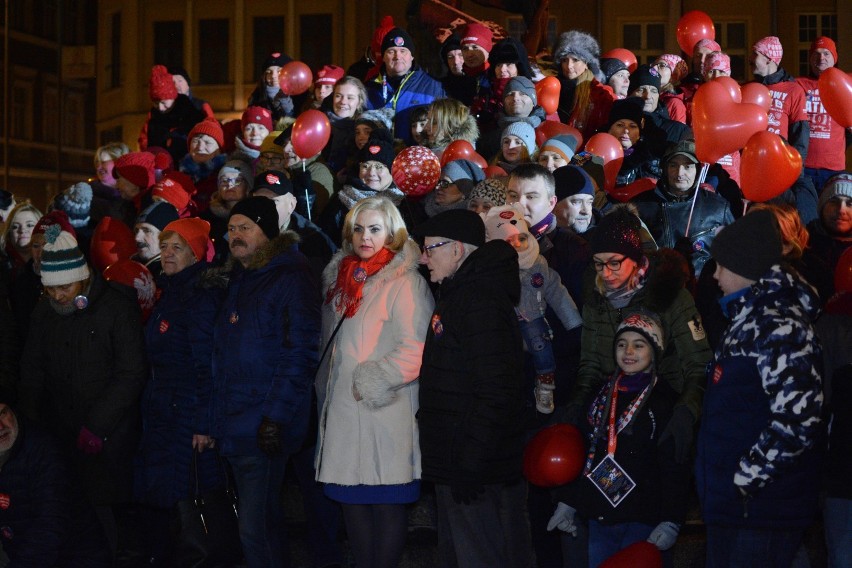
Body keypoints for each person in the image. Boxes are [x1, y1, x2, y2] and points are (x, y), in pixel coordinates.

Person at [697, 209, 824, 567]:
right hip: (738, 508)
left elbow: (798, 419)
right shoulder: (748, 319)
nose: (716, 275)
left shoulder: (779, 326)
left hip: (761, 511)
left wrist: (745, 478)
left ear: (746, 267)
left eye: (721, 265)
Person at [315, 196, 432, 568]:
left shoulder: (406, 282)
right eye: (359, 229)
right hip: (346, 414)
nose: (366, 237)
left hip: (387, 411)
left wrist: (372, 379)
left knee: (386, 504)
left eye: (375, 229)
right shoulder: (342, 279)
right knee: (352, 501)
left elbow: (415, 348)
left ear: (392, 233)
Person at [414, 209, 533, 568]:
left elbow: (496, 389)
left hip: (475, 465)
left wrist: (470, 462)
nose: (423, 257)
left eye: (430, 248)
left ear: (458, 250)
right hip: (459, 457)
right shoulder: (460, 293)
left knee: (480, 555)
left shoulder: (478, 300)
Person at [19, 224, 146, 558]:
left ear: (82, 277)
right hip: (61, 430)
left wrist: (99, 425)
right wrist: (32, 424)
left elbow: (131, 372)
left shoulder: (115, 307)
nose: (58, 296)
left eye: (65, 287)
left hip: (110, 435)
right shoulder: (44, 313)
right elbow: (33, 371)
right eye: (51, 289)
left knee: (111, 515)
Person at [566, 206, 711, 467]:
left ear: (636, 258)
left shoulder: (671, 296)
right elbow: (590, 363)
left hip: (663, 407)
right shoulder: (596, 300)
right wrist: (578, 404)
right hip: (612, 410)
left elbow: (698, 362)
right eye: (599, 264)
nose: (606, 274)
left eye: (614, 263)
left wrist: (686, 411)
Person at [548, 312, 691, 566]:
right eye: (622, 344)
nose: (629, 351)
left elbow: (675, 468)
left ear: (655, 351)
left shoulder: (665, 404)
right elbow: (585, 453)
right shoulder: (600, 396)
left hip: (645, 521)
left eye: (639, 345)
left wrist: (672, 520)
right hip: (601, 517)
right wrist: (569, 501)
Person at [134, 217, 225, 564]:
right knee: (167, 504)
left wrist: (204, 422)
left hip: (186, 418)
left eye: (177, 248)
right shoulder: (170, 292)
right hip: (164, 414)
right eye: (165, 247)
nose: (168, 254)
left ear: (196, 253)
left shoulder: (200, 297)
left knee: (190, 505)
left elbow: (207, 364)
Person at [483, 204, 582, 414]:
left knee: (540, 343)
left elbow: (556, 291)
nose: (517, 245)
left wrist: (573, 321)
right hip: (502, 324)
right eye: (509, 242)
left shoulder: (539, 264)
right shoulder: (490, 270)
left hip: (533, 316)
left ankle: (545, 383)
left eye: (521, 238)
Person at [0, 399, 112, 565]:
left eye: (3, 413)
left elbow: (50, 525)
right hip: (22, 550)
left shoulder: (44, 452)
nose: (1, 427)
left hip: (72, 558)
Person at [633, 139, 735, 278]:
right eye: (673, 165)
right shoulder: (640, 206)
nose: (680, 173)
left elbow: (734, 254)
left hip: (702, 292)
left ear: (697, 170)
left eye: (687, 166)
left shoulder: (717, 207)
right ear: (665, 169)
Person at [751, 36, 818, 225]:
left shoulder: (793, 90)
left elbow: (800, 135)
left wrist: (795, 169)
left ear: (769, 58)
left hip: (782, 168)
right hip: (754, 169)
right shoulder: (749, 88)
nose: (749, 59)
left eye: (754, 54)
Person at [318, 129, 403, 247]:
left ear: (392, 170)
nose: (371, 172)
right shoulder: (342, 200)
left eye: (379, 166)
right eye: (365, 166)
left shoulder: (404, 203)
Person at [364, 26, 446, 145]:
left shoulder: (434, 88)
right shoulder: (369, 89)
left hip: (419, 159)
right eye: (391, 51)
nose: (398, 57)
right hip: (378, 159)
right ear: (383, 57)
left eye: (403, 51)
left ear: (412, 56)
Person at [795, 36, 847, 193]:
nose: (821, 58)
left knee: (831, 214)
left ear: (834, 58)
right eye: (816, 54)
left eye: (826, 53)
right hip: (804, 167)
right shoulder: (798, 85)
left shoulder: (844, 84)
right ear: (810, 59)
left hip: (834, 168)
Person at [553, 30, 615, 141]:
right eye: (564, 60)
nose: (569, 66)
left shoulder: (600, 93)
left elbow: (603, 135)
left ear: (587, 63)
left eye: (575, 60)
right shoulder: (552, 88)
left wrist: (580, 158)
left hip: (586, 155)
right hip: (556, 154)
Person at [138, 65, 207, 164]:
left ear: (173, 98)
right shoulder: (154, 120)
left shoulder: (192, 113)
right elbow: (151, 147)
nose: (160, 108)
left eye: (164, 103)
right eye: (156, 103)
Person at [179, 117, 228, 212]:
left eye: (208, 142)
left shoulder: (225, 177)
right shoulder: (180, 174)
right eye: (196, 141)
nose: (200, 147)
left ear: (219, 150)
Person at [132, 200, 180, 276]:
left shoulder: (175, 277)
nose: (137, 238)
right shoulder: (132, 264)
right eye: (136, 230)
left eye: (147, 230)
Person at [1, 201, 42, 287]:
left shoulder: (53, 260)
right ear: (9, 233)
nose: (22, 230)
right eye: (15, 226)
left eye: (30, 225)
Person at [246, 52, 295, 121]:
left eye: (279, 72)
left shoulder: (300, 96)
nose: (273, 76)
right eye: (269, 72)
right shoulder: (256, 98)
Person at [553, 164, 598, 235]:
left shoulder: (607, 238)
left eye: (589, 202)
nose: (586, 211)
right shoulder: (536, 238)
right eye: (577, 202)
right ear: (553, 204)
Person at [653, 54, 689, 124]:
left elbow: (678, 132)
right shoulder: (649, 96)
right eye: (653, 65)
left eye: (662, 65)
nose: (654, 68)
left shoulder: (675, 103)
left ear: (674, 75)